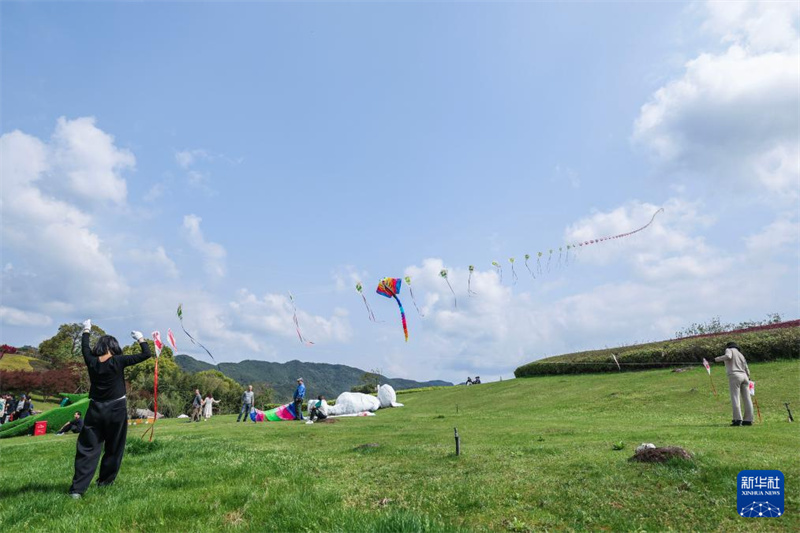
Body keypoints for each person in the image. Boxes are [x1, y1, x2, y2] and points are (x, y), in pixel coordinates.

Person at [68, 319, 152, 499]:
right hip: (116, 409)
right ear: (113, 347)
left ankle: (77, 490)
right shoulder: (119, 361)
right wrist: (140, 338)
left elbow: (84, 347)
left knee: (88, 448)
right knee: (114, 447)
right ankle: (105, 483)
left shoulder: (91, 361)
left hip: (95, 409)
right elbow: (146, 354)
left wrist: (86, 330)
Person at [714, 342, 753, 426]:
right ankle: (748, 419)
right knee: (747, 399)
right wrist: (748, 377)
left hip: (735, 375)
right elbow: (747, 368)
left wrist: (717, 359)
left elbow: (728, 356)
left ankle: (737, 419)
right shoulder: (741, 354)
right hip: (745, 376)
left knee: (735, 397)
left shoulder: (729, 350)